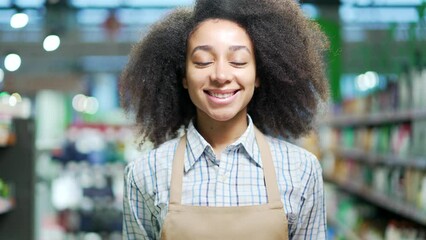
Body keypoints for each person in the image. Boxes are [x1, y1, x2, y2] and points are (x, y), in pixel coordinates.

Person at [120, 0, 329, 239]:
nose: (221, 75)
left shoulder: (301, 170)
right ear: (184, 76)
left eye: (238, 61)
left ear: (259, 74)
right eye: (202, 61)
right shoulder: (145, 173)